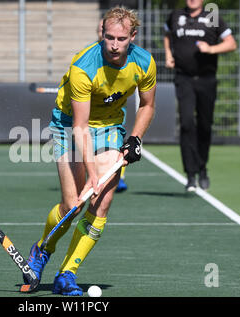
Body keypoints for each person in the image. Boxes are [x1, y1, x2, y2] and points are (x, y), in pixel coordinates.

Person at [26, 6, 156, 296]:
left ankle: (67, 274)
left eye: (121, 39)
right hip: (69, 125)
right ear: (101, 31)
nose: (114, 45)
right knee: (73, 206)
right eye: (109, 37)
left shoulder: (144, 63)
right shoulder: (83, 66)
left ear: (133, 36)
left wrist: (135, 137)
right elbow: (81, 127)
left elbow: (147, 105)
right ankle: (42, 248)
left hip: (110, 126)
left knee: (102, 203)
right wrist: (93, 173)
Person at [163, 0, 236, 191]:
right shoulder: (176, 15)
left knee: (204, 125)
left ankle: (202, 167)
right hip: (184, 79)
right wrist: (168, 55)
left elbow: (231, 43)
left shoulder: (212, 17)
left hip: (206, 79)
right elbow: (167, 34)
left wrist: (211, 49)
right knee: (187, 124)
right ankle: (190, 174)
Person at [97, 18, 134, 193]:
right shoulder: (91, 58)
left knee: (116, 143)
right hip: (93, 113)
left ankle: (120, 176)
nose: (114, 43)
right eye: (105, 34)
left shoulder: (129, 57)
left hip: (115, 109)